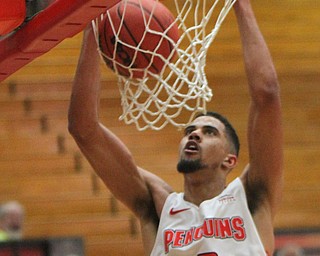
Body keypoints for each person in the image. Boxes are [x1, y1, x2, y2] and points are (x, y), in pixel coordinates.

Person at [68, 0, 283, 255]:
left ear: (230, 160)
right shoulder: (158, 205)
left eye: (209, 132)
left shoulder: (250, 197)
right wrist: (92, 25)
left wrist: (242, 6)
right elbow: (83, 129)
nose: (194, 134)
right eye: (190, 130)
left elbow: (267, 94)